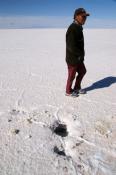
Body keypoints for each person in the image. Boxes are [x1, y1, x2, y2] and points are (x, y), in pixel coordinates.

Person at [65, 8, 90, 97]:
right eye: (83, 17)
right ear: (76, 17)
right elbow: (71, 46)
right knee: (71, 75)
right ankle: (68, 91)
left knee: (82, 71)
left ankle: (77, 87)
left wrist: (81, 55)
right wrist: (79, 55)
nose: (85, 19)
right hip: (72, 58)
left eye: (85, 17)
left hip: (78, 58)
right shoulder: (72, 28)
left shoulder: (78, 27)